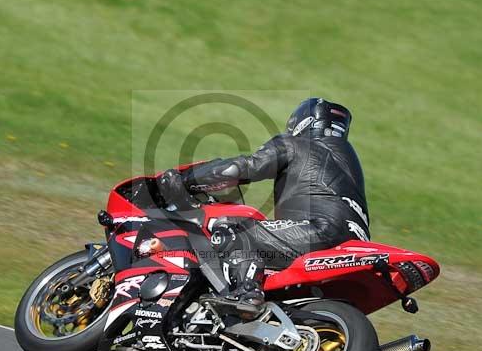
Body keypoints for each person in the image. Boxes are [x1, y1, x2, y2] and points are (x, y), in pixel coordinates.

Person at [158, 98, 370, 316]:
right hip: (356, 242)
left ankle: (247, 294)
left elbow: (237, 169)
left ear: (300, 122)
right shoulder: (349, 160)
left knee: (233, 230)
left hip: (318, 230)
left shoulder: (297, 144)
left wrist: (184, 180)